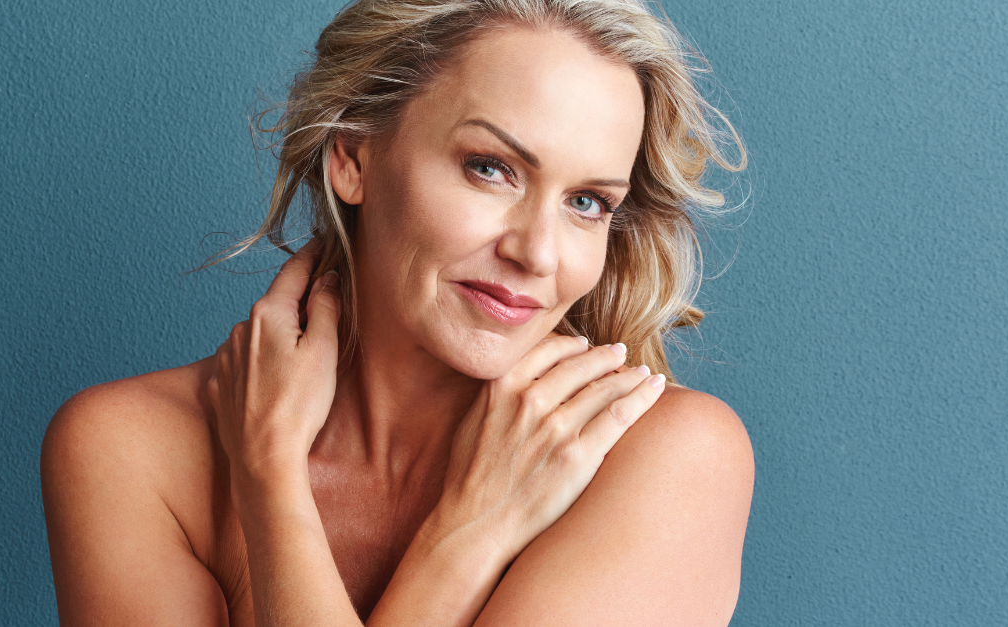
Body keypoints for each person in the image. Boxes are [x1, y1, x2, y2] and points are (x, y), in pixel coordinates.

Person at [40, 0, 754, 625]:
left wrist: (275, 485)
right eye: (491, 167)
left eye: (587, 202)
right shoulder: (129, 450)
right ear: (353, 155)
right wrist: (277, 476)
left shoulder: (667, 461)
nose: (538, 253)